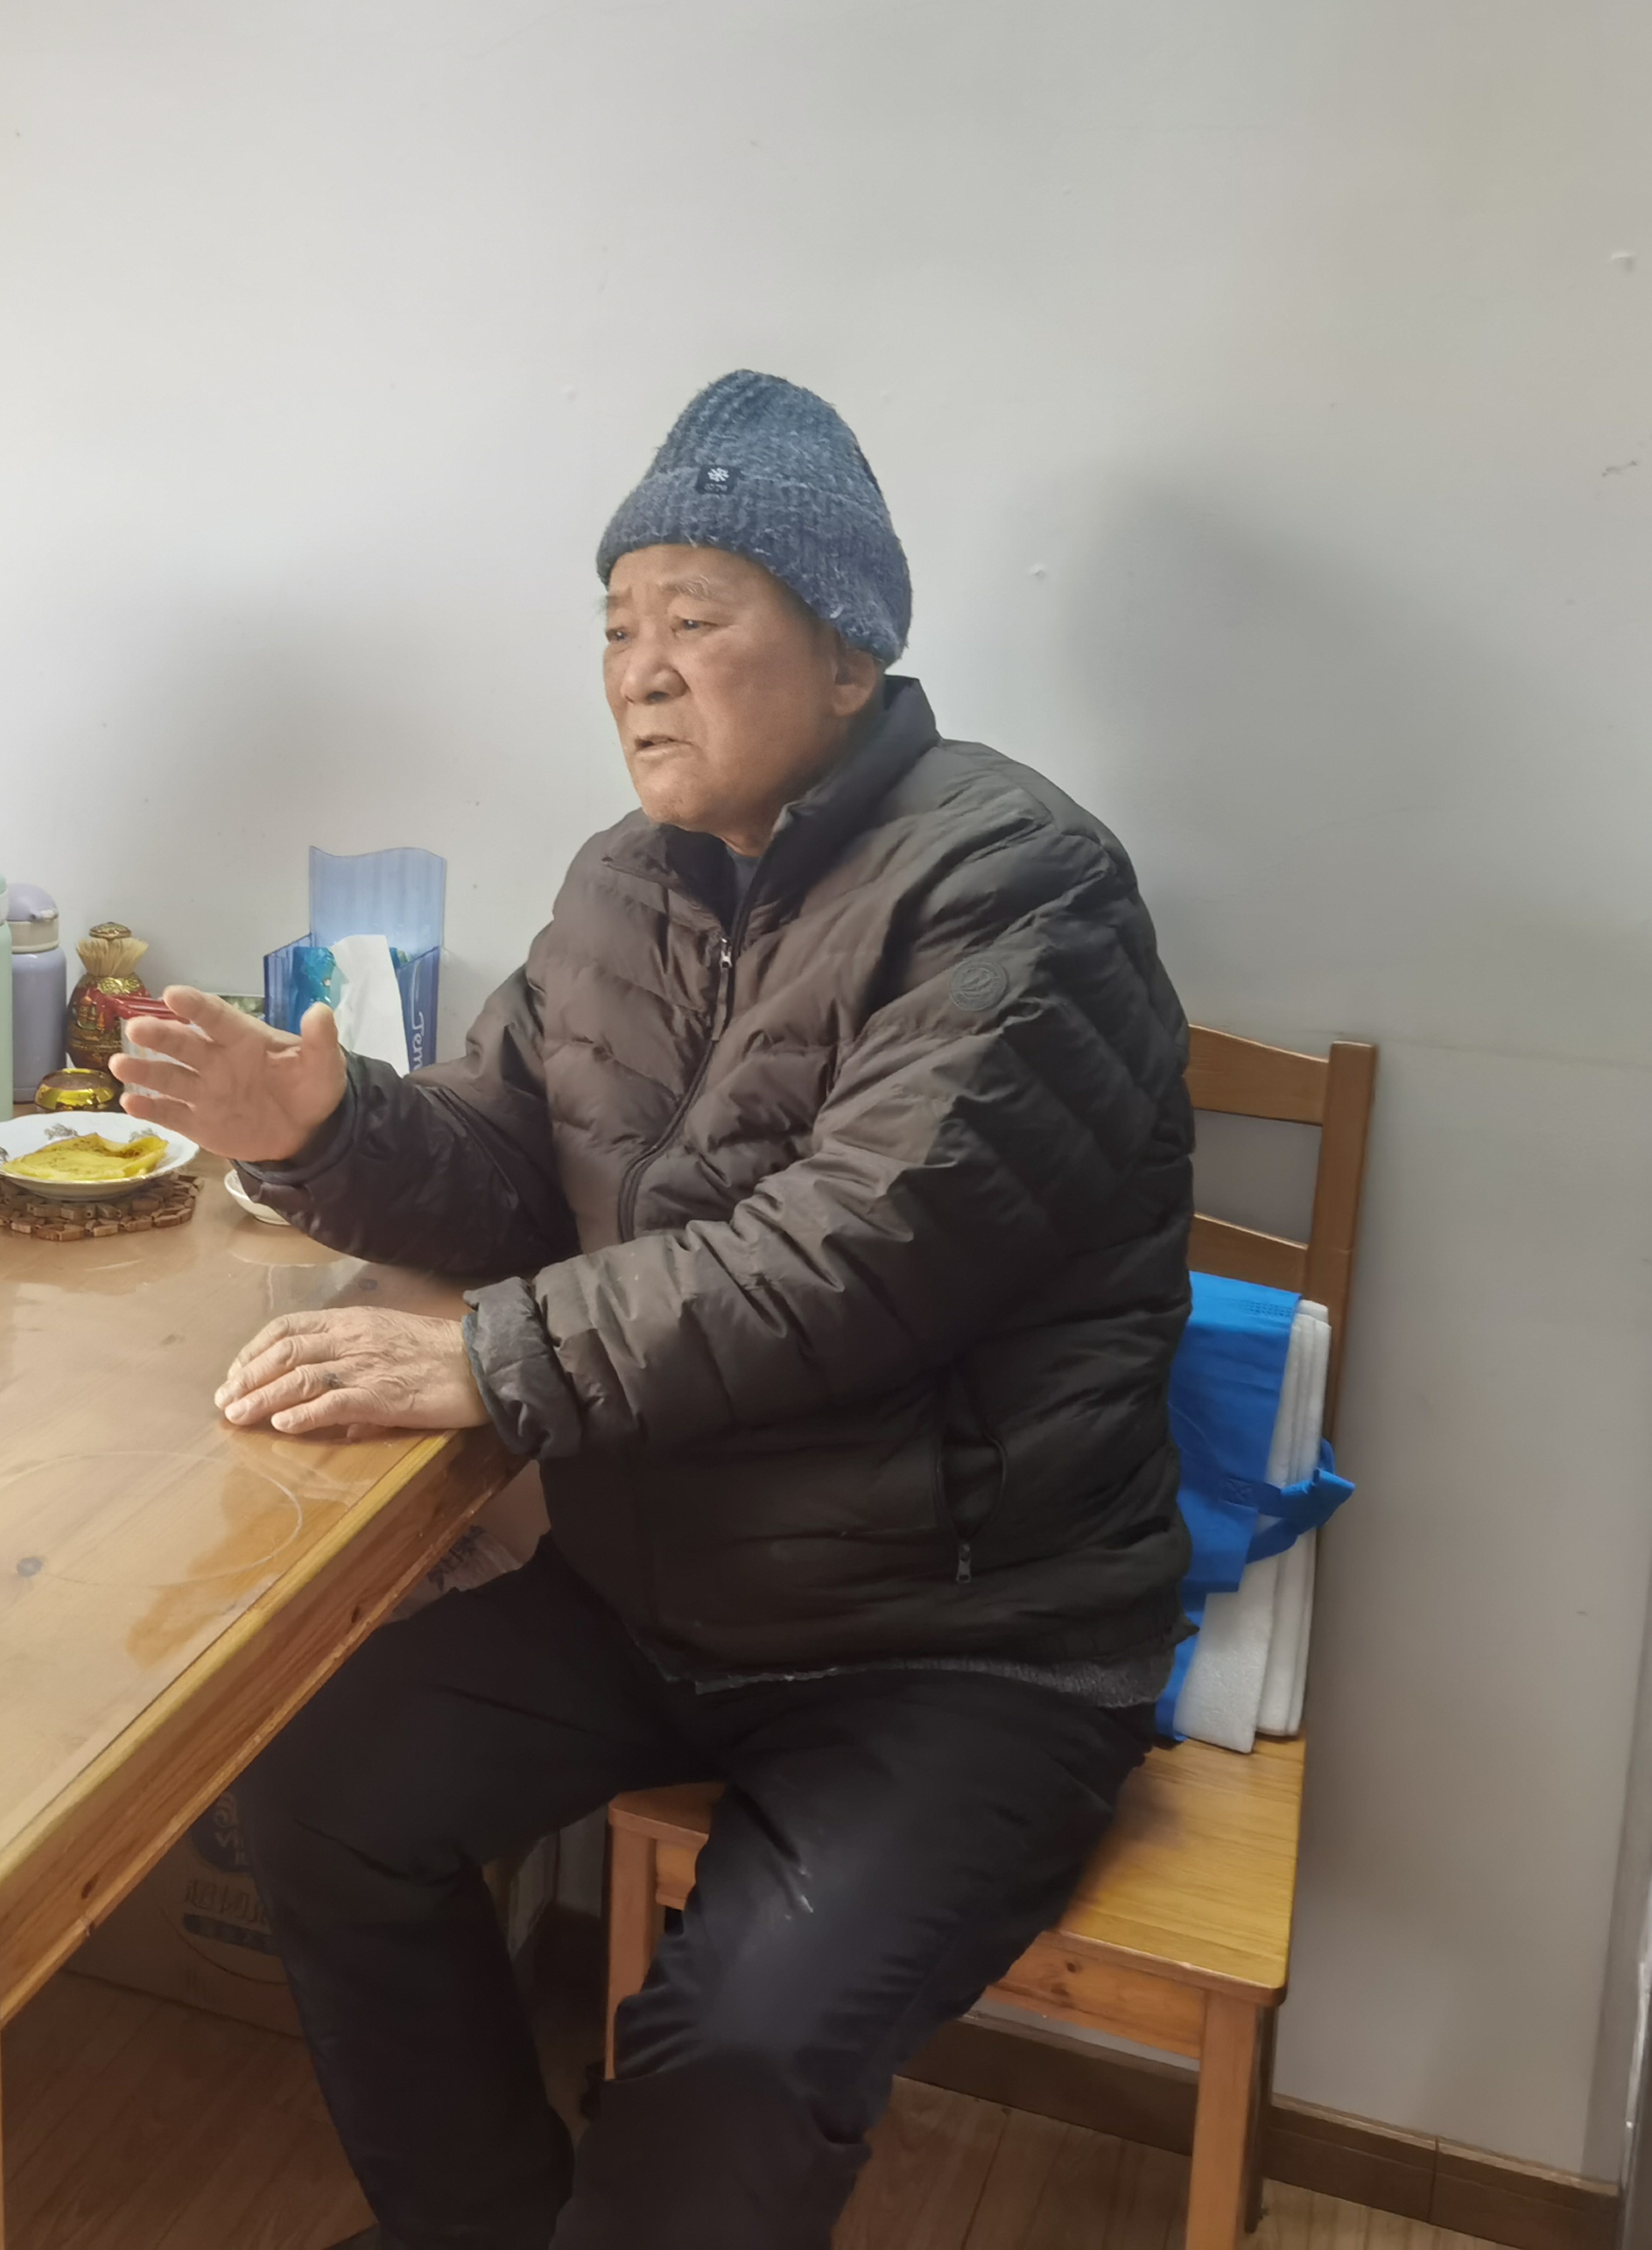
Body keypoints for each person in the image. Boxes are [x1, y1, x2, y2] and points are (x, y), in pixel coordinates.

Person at [115, 372, 1193, 2250]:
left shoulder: (1021, 889)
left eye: (696, 617)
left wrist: (480, 1360)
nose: (640, 672)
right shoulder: (617, 886)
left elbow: (838, 1261)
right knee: (311, 1792)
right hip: (664, 1587)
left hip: (960, 1644)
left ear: (848, 653)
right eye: (616, 626)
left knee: (735, 2056)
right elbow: (507, 1167)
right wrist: (324, 1132)